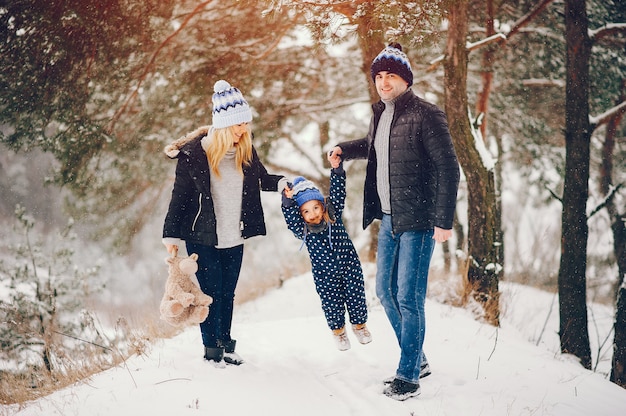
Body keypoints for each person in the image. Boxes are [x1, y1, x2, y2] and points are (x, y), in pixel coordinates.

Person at [327, 43, 460, 400]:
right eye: (379, 76)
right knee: (385, 292)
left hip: (419, 221)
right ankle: (418, 359)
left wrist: (443, 220)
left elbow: (449, 168)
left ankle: (408, 376)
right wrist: (344, 148)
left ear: (405, 79)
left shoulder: (427, 115)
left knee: (409, 297)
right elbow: (374, 146)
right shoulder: (380, 114)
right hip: (388, 218)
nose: (384, 83)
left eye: (391, 76)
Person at [162, 80, 288, 367]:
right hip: (202, 236)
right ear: (221, 126)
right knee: (210, 294)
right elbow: (179, 196)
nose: (242, 130)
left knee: (227, 293)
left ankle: (226, 344)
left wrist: (282, 183)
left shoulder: (245, 152)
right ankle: (211, 350)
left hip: (235, 235)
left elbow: (262, 179)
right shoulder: (194, 155)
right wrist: (170, 236)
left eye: (245, 124)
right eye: (236, 125)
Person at [281, 163, 371, 351]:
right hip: (325, 274)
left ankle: (360, 327)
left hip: (349, 265)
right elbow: (291, 220)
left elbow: (338, 194)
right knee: (332, 304)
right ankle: (339, 332)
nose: (312, 214)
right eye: (306, 211)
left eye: (315, 207)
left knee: (356, 297)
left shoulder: (333, 215)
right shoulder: (303, 230)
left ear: (322, 205)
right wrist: (288, 203)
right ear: (301, 215)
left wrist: (337, 171)